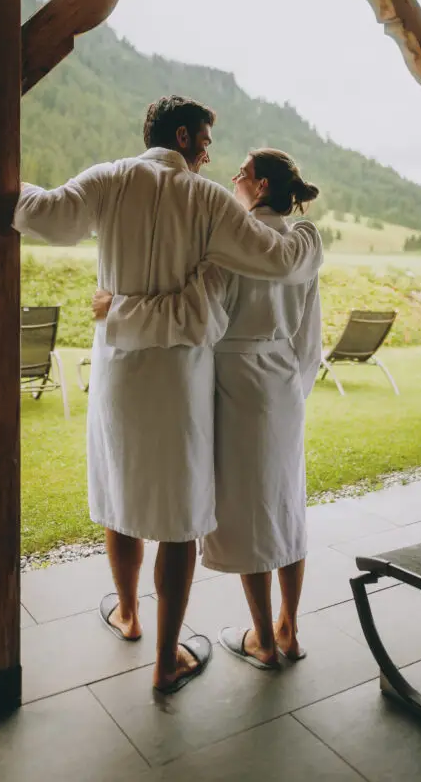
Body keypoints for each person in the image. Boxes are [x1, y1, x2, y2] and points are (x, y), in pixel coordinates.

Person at [13, 99, 323, 694]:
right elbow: (275, 261)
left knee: (121, 493)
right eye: (206, 139)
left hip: (117, 374)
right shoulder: (207, 202)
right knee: (178, 520)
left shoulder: (108, 179)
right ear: (183, 135)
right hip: (181, 381)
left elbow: (44, 215)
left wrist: (7, 183)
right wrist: (309, 233)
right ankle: (165, 661)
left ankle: (127, 613)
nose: (210, 152)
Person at [94, 147, 322, 670]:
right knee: (287, 507)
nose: (233, 178)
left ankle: (263, 638)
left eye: (242, 173)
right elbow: (310, 335)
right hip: (284, 381)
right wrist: (294, 388)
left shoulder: (231, 246)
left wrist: (117, 310)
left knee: (249, 515)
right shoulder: (304, 246)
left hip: (236, 384)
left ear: (260, 187)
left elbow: (196, 317)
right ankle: (289, 626)